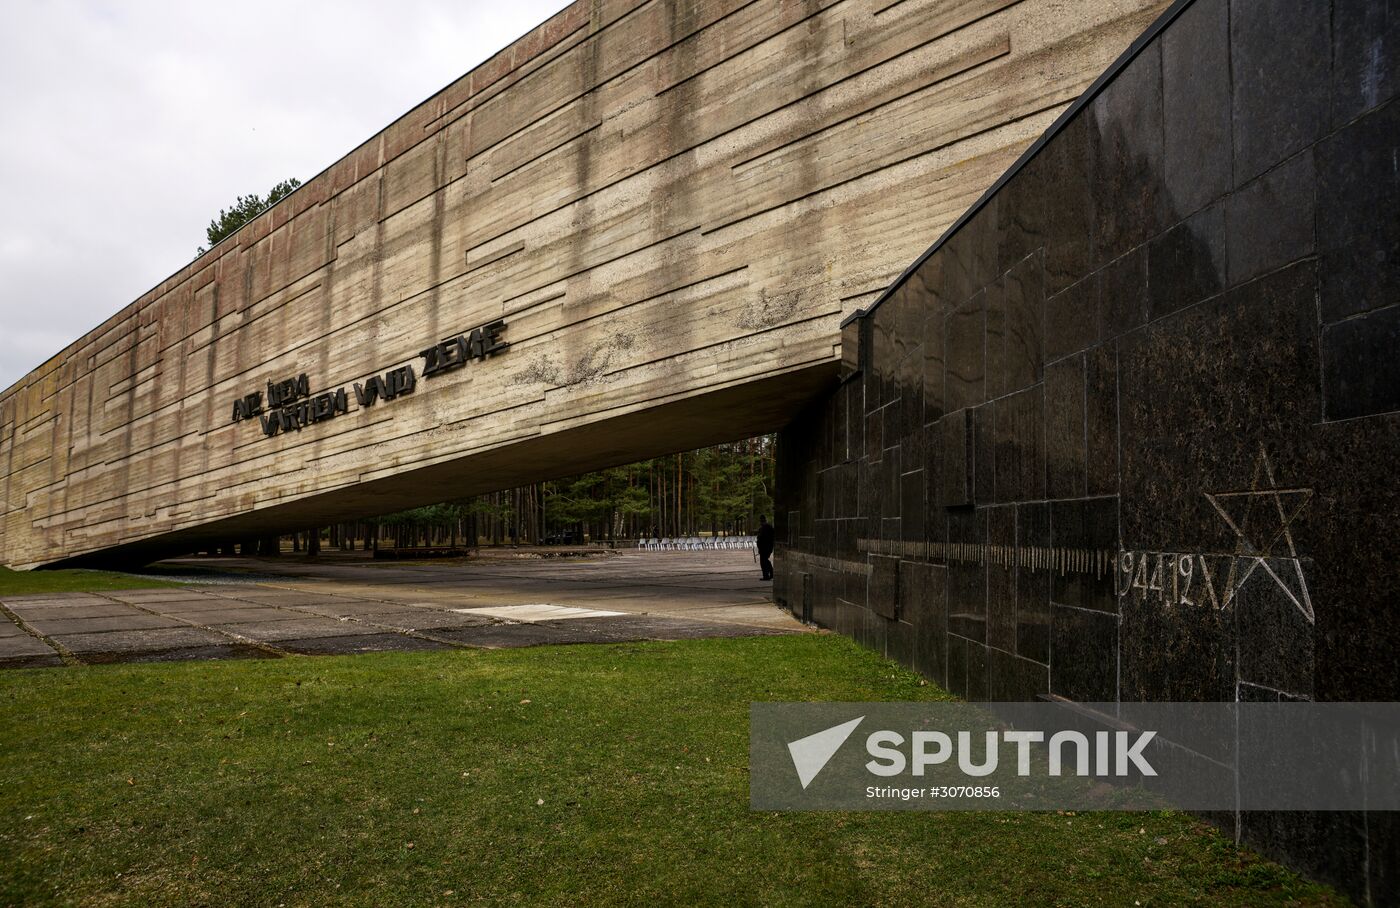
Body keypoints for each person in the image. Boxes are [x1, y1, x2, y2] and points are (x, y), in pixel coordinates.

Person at [756, 515, 775, 581]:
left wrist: (760, 547)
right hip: (767, 547)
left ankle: (766, 575)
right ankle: (771, 573)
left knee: (763, 562)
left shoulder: (763, 528)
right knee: (766, 561)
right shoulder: (769, 527)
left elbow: (761, 538)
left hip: (764, 548)